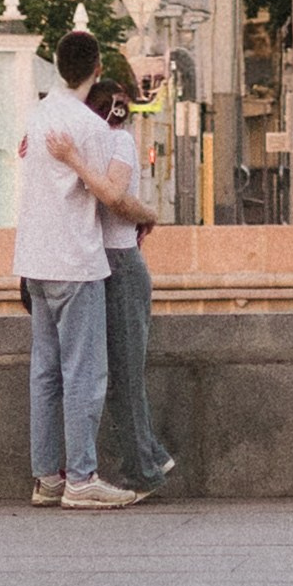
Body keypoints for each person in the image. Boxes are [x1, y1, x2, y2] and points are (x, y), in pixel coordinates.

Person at [14, 27, 158, 511]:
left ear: (57, 66)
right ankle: (81, 477)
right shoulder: (91, 128)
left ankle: (46, 478)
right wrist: (149, 216)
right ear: (97, 69)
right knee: (85, 373)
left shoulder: (37, 118)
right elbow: (112, 196)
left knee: (45, 373)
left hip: (34, 261)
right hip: (76, 262)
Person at [85, 75, 176, 491]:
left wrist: (149, 215)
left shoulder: (116, 141)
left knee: (123, 373)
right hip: (106, 263)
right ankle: (152, 455)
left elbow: (116, 198)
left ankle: (144, 467)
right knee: (120, 372)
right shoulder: (98, 142)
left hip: (119, 263)